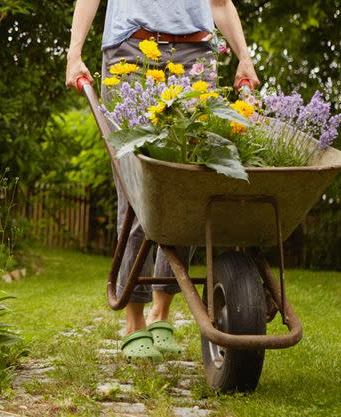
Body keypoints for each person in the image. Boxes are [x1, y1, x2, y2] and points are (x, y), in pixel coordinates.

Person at [65, 0, 260, 360]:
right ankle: (134, 319)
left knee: (189, 183)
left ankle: (162, 312)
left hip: (195, 53)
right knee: (138, 182)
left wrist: (244, 58)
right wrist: (74, 53)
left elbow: (220, 3)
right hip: (131, 49)